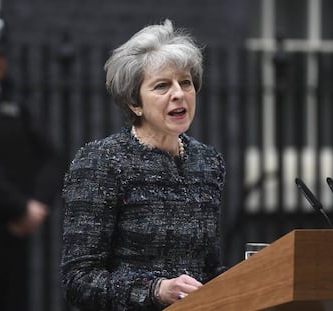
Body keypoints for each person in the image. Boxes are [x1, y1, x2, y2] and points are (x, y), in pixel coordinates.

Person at [61, 19, 226, 310]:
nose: (179, 93)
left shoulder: (207, 163)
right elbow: (79, 280)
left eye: (185, 82)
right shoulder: (102, 162)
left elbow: (209, 269)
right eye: (162, 85)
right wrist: (155, 290)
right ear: (134, 103)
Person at [0, 7, 64, 311]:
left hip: (14, 237)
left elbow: (52, 156)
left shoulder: (13, 101)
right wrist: (21, 208)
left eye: (0, 54)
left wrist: (37, 206)